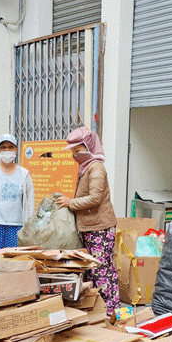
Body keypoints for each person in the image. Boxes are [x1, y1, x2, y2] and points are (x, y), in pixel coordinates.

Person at [56, 127, 120, 315]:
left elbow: (95, 198)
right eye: (73, 151)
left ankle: (112, 314)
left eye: (78, 150)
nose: (75, 155)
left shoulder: (96, 168)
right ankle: (99, 313)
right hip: (90, 227)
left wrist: (71, 202)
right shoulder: (87, 167)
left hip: (100, 228)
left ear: (89, 146)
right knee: (93, 271)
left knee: (102, 271)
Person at [0, 134, 35, 250]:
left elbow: (29, 203)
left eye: (11, 147)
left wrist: (29, 228)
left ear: (16, 149)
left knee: (13, 262)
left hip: (17, 227)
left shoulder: (24, 174)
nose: (7, 150)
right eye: (3, 147)